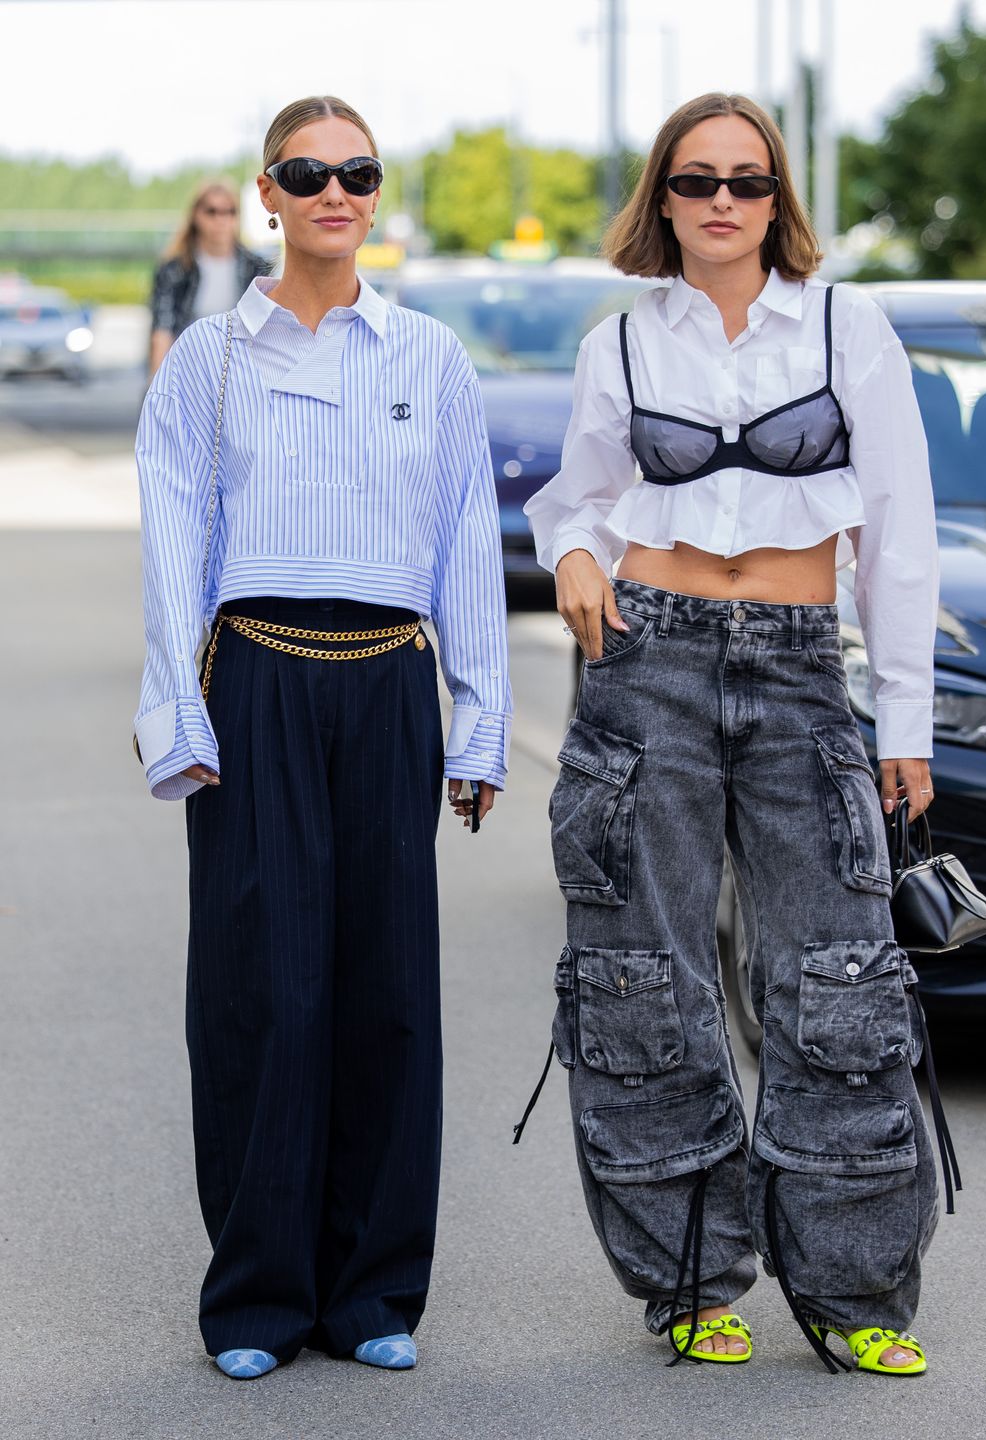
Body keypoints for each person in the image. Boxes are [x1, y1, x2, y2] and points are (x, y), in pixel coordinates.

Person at [523, 92, 941, 1376]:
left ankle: (854, 1292)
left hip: (802, 670)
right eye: (696, 180)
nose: (721, 201)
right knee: (644, 981)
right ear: (661, 197)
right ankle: (693, 1280)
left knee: (837, 979)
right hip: (645, 666)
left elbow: (902, 528)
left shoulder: (844, 323)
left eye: (747, 182)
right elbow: (576, 501)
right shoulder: (622, 344)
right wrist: (577, 558)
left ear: (777, 201)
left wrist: (905, 717)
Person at [134, 95, 511, 1380]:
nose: (335, 189)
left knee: (386, 989)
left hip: (390, 678)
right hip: (258, 678)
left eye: (358, 169)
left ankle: (371, 1292)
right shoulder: (209, 359)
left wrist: (481, 726)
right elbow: (174, 541)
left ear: (374, 191)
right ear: (271, 192)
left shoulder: (430, 357)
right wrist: (176, 710)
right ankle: (256, 1298)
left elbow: (466, 536)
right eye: (310, 170)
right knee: (259, 988)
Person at [148, 178, 271, 379]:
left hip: (240, 375)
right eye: (212, 211)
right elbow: (162, 330)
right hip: (186, 372)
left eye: (230, 211)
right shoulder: (174, 269)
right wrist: (157, 386)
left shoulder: (256, 267)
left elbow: (266, 332)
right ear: (196, 215)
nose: (221, 219)